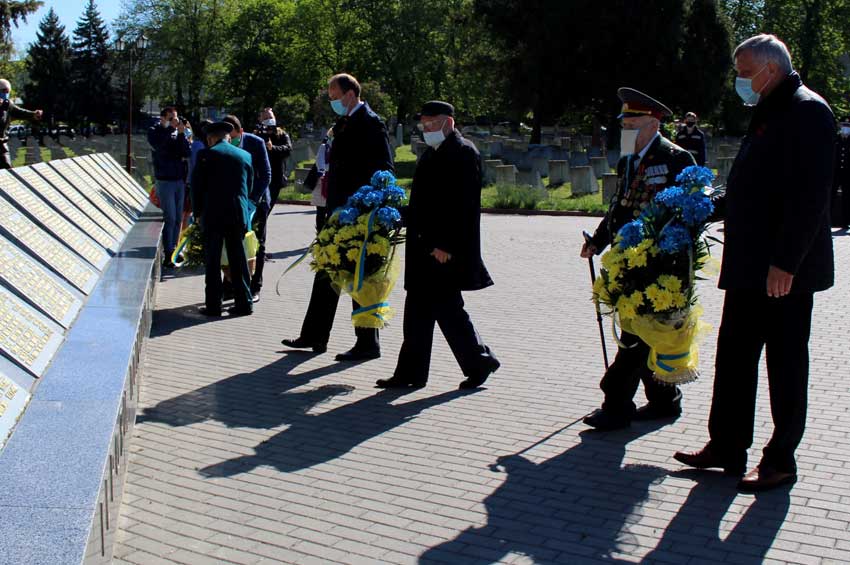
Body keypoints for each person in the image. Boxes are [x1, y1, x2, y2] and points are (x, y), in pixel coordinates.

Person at [674, 35, 835, 492]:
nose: (740, 81)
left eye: (745, 72)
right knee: (735, 358)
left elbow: (810, 197)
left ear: (771, 68)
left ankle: (780, 459)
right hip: (748, 266)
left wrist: (786, 262)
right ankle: (726, 445)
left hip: (784, 271)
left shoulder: (808, 110)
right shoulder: (768, 107)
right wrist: (707, 204)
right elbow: (753, 185)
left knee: (784, 365)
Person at [580, 87, 696, 431]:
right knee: (642, 333)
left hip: (660, 264)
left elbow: (687, 214)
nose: (625, 126)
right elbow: (619, 206)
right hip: (627, 259)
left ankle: (615, 404)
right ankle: (664, 400)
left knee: (635, 338)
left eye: (632, 120)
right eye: (624, 121)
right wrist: (599, 241)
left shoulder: (677, 159)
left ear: (653, 121)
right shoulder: (628, 158)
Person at [375, 101, 500, 390]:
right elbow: (424, 201)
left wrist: (445, 244)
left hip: (443, 250)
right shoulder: (433, 152)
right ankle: (411, 373)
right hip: (423, 245)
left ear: (449, 122)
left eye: (431, 124)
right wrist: (397, 216)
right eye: (424, 124)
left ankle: (478, 361)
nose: (426, 129)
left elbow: (462, 206)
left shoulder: (464, 152)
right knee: (419, 312)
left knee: (448, 310)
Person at [282, 73, 394, 360]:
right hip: (336, 213)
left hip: (358, 214)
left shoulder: (370, 123)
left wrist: (367, 209)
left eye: (333, 97)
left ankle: (368, 343)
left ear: (350, 94)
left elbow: (384, 169)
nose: (331, 102)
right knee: (327, 271)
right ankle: (314, 336)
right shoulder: (343, 123)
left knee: (361, 277)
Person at [191, 121, 255, 317]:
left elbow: (197, 188)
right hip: (237, 214)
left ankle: (213, 305)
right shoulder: (244, 155)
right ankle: (244, 303)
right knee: (238, 259)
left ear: (211, 138)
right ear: (228, 137)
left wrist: (198, 212)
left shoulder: (206, 155)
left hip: (213, 215)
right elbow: (249, 186)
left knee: (212, 261)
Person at [222, 115, 271, 302]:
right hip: (234, 202)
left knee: (256, 243)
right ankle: (229, 285)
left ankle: (254, 285)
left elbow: (265, 174)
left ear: (241, 132)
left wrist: (252, 199)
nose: (230, 141)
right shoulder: (223, 144)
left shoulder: (255, 143)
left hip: (256, 202)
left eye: (234, 137)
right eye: (228, 138)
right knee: (232, 243)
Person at [148, 107, 191, 267]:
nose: (175, 121)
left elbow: (186, 152)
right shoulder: (155, 131)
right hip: (164, 180)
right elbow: (160, 148)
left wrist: (181, 134)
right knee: (170, 217)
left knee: (179, 218)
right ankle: (168, 251)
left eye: (176, 118)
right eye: (171, 118)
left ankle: (175, 251)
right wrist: (170, 130)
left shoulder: (176, 133)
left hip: (179, 180)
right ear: (163, 118)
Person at [254, 107, 292, 212]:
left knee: (268, 207)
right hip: (259, 176)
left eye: (270, 116)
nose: (269, 119)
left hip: (276, 176)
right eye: (265, 117)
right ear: (260, 120)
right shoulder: (257, 134)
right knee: (259, 209)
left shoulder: (281, 134)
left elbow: (288, 149)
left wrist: (272, 148)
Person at [0, 78, 43, 169]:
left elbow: (20, 112)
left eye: (7, 91)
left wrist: (34, 114)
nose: (5, 94)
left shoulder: (8, 105)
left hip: (1, 145)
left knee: (7, 169)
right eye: (3, 91)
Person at [833, 119, 850, 228]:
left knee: (847, 197)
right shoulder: (835, 139)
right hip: (835, 172)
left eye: (848, 125)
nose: (845, 127)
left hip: (848, 173)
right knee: (831, 196)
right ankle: (828, 220)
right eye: (844, 125)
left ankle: (846, 222)